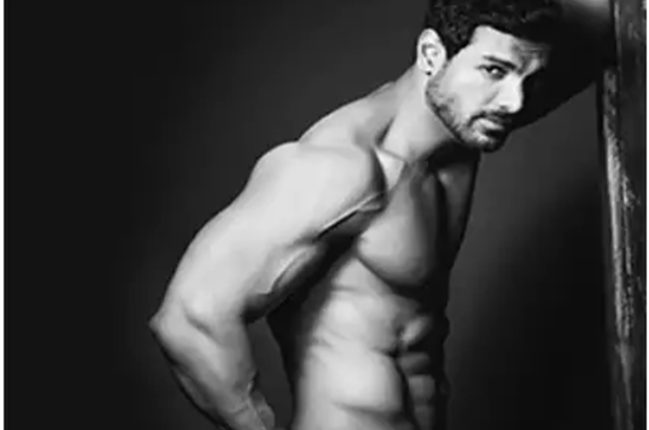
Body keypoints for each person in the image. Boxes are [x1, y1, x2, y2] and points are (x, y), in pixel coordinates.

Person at [149, 0, 601, 429]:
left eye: (529, 79)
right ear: (431, 54)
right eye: (494, 71)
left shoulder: (474, 121)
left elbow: (602, 25)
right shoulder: (339, 168)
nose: (515, 102)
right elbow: (189, 319)